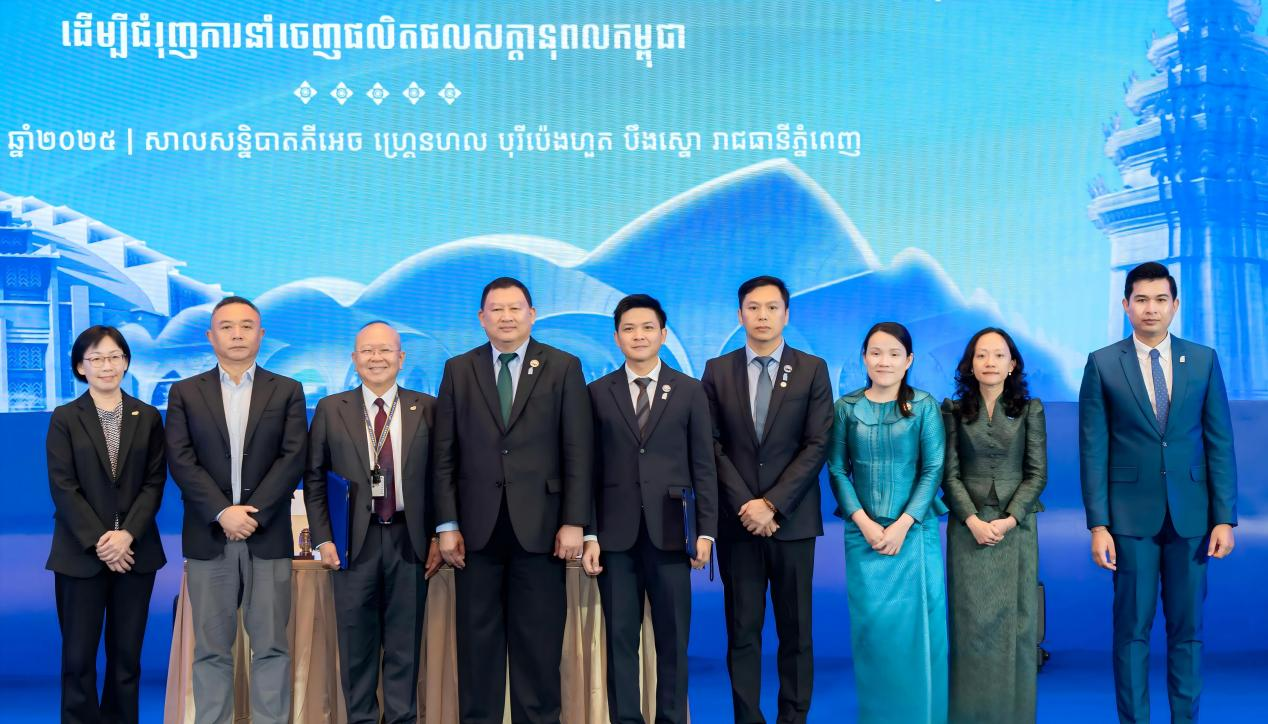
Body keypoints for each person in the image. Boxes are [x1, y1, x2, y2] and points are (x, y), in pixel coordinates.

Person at [1079, 261, 1238, 724]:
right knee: (1132, 631)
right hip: (1129, 521)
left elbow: (1220, 442)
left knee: (1188, 632)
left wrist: (1224, 517)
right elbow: (1093, 449)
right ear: (1126, 305)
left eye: (1161, 299)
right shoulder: (1103, 363)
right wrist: (1098, 524)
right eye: (1142, 299)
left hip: (1193, 518)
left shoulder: (1203, 359)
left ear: (1175, 305)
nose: (1151, 308)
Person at [433, 277, 593, 724]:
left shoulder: (563, 366)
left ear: (532, 314)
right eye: (496, 309)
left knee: (538, 651)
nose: (506, 317)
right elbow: (444, 455)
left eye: (515, 308)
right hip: (474, 534)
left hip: (542, 529)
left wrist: (575, 520)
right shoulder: (459, 369)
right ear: (481, 318)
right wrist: (446, 525)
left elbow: (578, 450)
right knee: (477, 652)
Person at [165, 296, 308, 724]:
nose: (237, 334)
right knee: (211, 650)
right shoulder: (185, 392)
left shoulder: (287, 390)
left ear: (261, 335)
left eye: (247, 326)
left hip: (268, 536)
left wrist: (253, 514)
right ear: (211, 336)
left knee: (271, 647)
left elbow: (292, 458)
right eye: (227, 327)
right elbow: (181, 459)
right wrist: (222, 511)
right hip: (209, 536)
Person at [580, 294, 718, 724]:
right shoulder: (596, 393)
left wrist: (706, 531)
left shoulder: (690, 391)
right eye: (629, 329)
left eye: (647, 328)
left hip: (672, 533)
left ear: (663, 334)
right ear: (617, 337)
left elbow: (704, 465)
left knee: (673, 641)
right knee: (620, 640)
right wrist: (589, 533)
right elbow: (586, 469)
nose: (638, 336)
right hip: (615, 538)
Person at [700, 275, 832, 724]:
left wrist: (772, 504)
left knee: (796, 632)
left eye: (772, 307)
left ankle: (793, 717)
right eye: (753, 308)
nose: (762, 316)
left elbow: (817, 444)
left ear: (786, 315)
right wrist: (747, 505)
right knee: (742, 631)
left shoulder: (812, 369)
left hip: (792, 522)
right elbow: (710, 445)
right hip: (739, 525)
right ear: (740, 315)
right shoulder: (717, 371)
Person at [303, 321, 442, 724]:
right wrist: (323, 538)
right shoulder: (331, 409)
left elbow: (441, 477)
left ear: (401, 358)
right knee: (356, 647)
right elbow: (315, 478)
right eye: (367, 351)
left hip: (409, 539)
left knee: (405, 646)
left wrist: (438, 534)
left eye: (385, 350)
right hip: (352, 543)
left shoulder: (427, 407)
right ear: (354, 359)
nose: (376, 358)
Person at [826, 321, 948, 724]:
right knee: (874, 634)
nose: (884, 361)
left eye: (894, 354)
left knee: (917, 634)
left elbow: (933, 469)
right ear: (864, 357)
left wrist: (902, 525)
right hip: (863, 535)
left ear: (908, 360)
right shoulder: (846, 408)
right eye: (876, 352)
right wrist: (863, 522)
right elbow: (837, 469)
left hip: (914, 535)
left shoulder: (925, 406)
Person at [46, 325, 167, 724]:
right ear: (80, 367)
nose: (106, 365)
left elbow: (154, 482)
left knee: (126, 658)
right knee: (78, 658)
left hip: (135, 554)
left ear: (126, 362)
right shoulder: (65, 418)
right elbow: (63, 487)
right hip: (80, 554)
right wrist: (102, 541)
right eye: (96, 358)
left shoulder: (147, 416)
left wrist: (126, 535)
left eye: (114, 356)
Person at [941, 327, 1046, 723]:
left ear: (1012, 364)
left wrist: (1009, 519)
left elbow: (1036, 474)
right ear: (970, 364)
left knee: (1016, 625)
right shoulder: (953, 410)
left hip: (1016, 527)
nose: (990, 362)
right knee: (969, 625)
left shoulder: (1030, 410)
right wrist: (971, 519)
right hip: (966, 526)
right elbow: (948, 474)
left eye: (999, 355)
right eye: (981, 355)